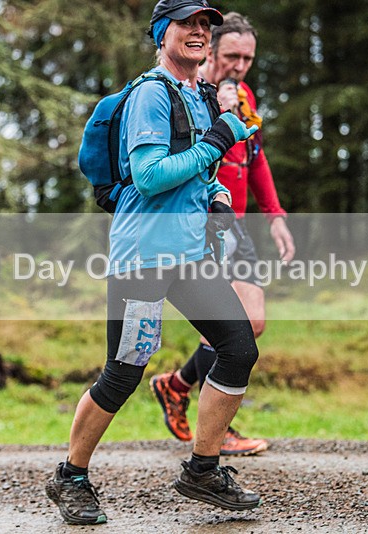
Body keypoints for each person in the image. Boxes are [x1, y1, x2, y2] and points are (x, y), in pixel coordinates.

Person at [46, 0, 265, 525]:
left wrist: (214, 197)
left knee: (237, 347)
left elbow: (197, 170)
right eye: (187, 24)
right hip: (142, 256)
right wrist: (218, 140)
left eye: (204, 26)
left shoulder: (199, 94)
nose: (198, 33)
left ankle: (203, 469)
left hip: (189, 254)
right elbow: (148, 175)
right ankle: (70, 476)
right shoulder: (151, 94)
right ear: (161, 33)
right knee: (124, 371)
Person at [150, 12, 296, 456]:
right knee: (224, 324)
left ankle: (176, 385)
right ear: (210, 49)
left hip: (236, 221)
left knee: (253, 321)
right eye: (232, 55)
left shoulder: (244, 95)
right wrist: (222, 112)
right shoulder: (195, 95)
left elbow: (256, 157)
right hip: (201, 220)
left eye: (248, 58)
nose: (240, 66)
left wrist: (275, 215)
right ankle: (214, 435)